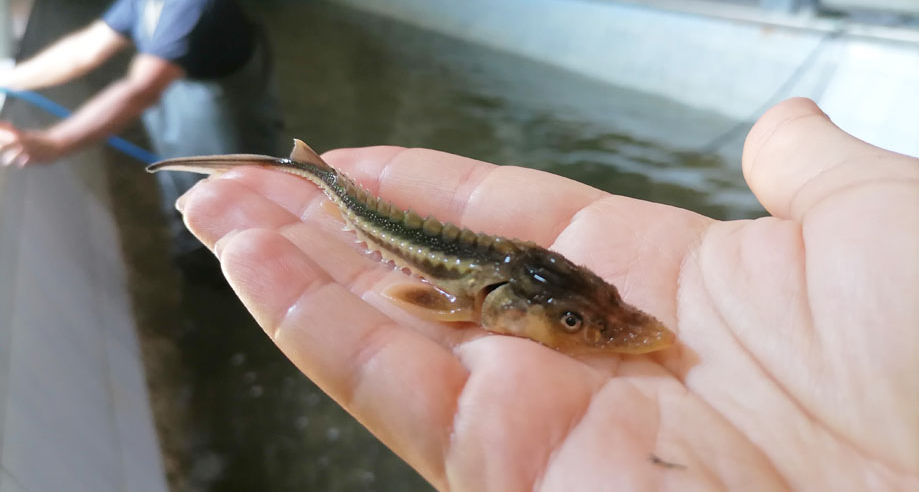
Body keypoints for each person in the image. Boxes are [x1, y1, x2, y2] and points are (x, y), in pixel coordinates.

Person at [172, 98, 917, 489]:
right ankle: (298, 168)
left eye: (591, 309)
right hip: (382, 215)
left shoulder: (536, 282)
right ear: (499, 304)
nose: (612, 327)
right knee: (313, 200)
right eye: (571, 319)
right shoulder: (469, 295)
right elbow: (418, 295)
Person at [0, 0, 283, 278]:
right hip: (184, 149)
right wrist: (12, 79)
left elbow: (139, 90)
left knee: (245, 243)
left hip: (231, 157)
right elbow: (85, 49)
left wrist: (52, 143)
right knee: (192, 222)